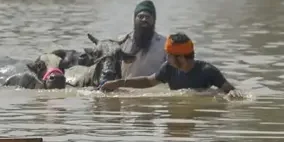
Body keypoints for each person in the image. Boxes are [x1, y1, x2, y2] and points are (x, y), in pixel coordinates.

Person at [99, 32, 238, 95]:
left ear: (181, 57)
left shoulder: (208, 71)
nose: (167, 58)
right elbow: (148, 81)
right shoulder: (169, 68)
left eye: (170, 56)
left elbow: (231, 91)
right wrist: (119, 83)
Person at [118, 0, 167, 79]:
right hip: (125, 88)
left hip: (153, 89)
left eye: (148, 17)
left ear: (154, 20)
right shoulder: (122, 41)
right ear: (134, 19)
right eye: (141, 17)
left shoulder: (164, 43)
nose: (144, 19)